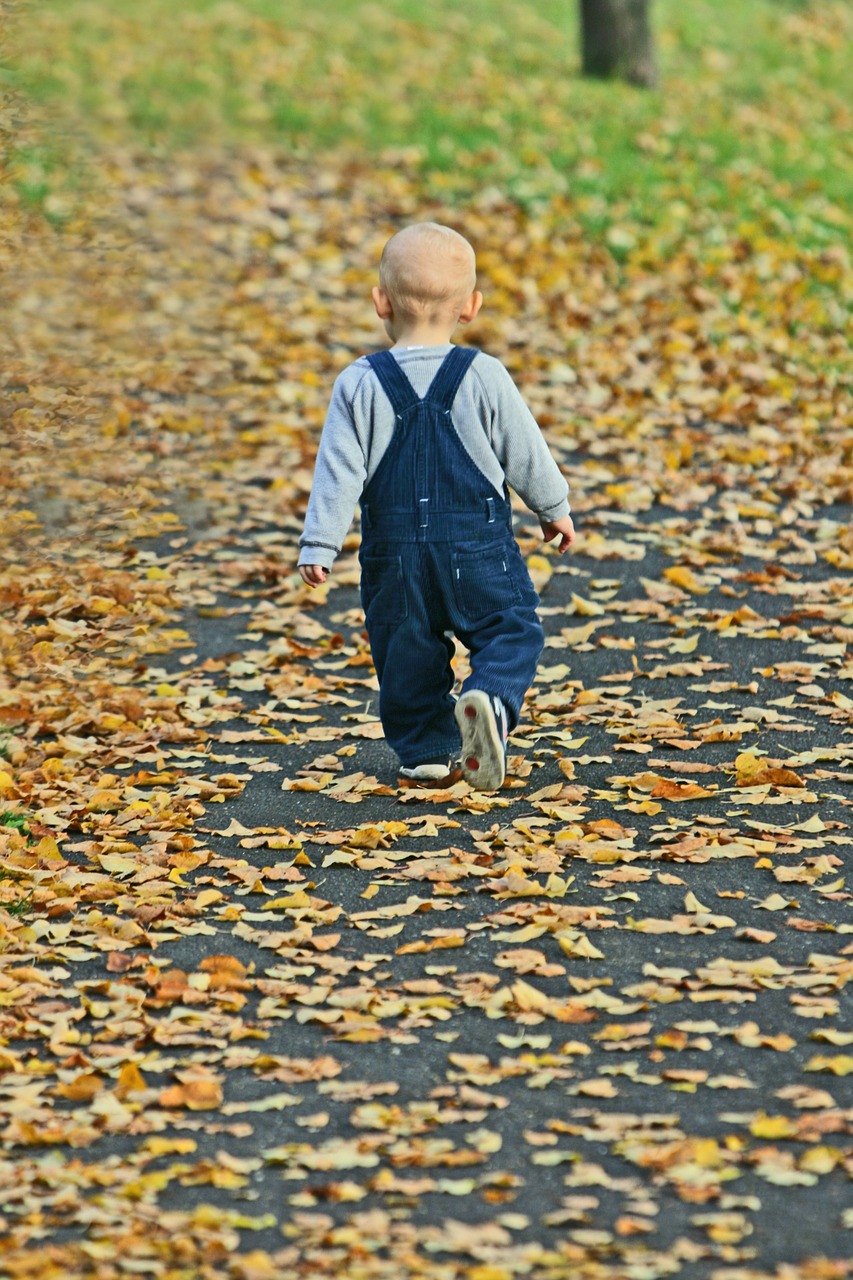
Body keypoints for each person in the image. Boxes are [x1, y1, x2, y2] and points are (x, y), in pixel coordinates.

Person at [298, 222, 574, 790]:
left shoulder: (358, 383)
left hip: (394, 557)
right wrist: (553, 506)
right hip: (476, 546)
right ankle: (491, 699)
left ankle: (425, 750)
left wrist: (319, 542)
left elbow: (338, 472)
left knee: (406, 650)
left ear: (381, 302)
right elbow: (524, 449)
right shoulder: (483, 375)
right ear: (470, 306)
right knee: (512, 628)